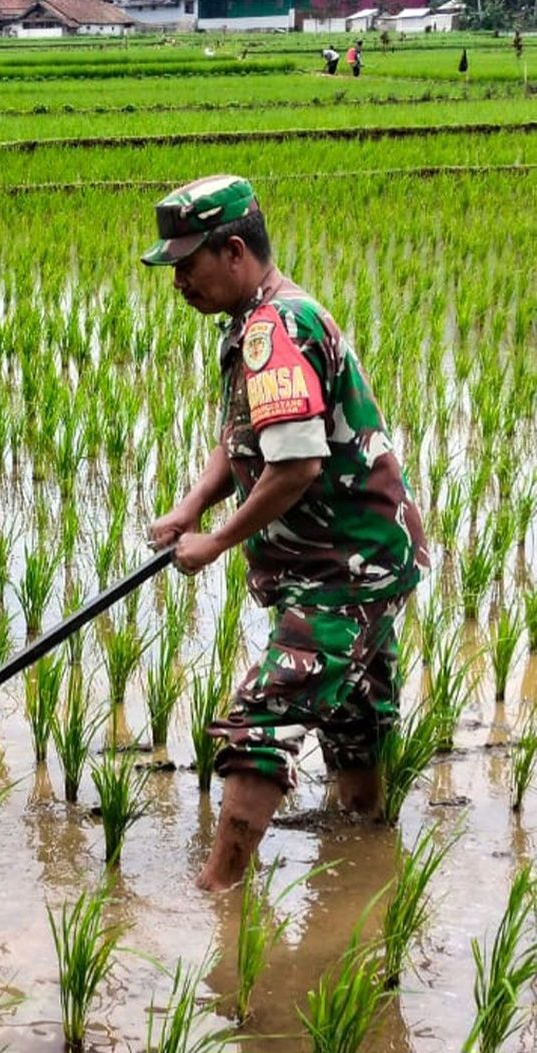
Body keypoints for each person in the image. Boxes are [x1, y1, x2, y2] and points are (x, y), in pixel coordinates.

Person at [141, 175, 428, 891]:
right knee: (354, 716)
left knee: (258, 719)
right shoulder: (257, 321)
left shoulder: (276, 330)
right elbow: (245, 440)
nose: (178, 280)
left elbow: (295, 465)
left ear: (233, 250)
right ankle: (366, 861)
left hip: (344, 569)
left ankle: (218, 889)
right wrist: (190, 506)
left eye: (186, 263)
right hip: (362, 558)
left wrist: (215, 542)